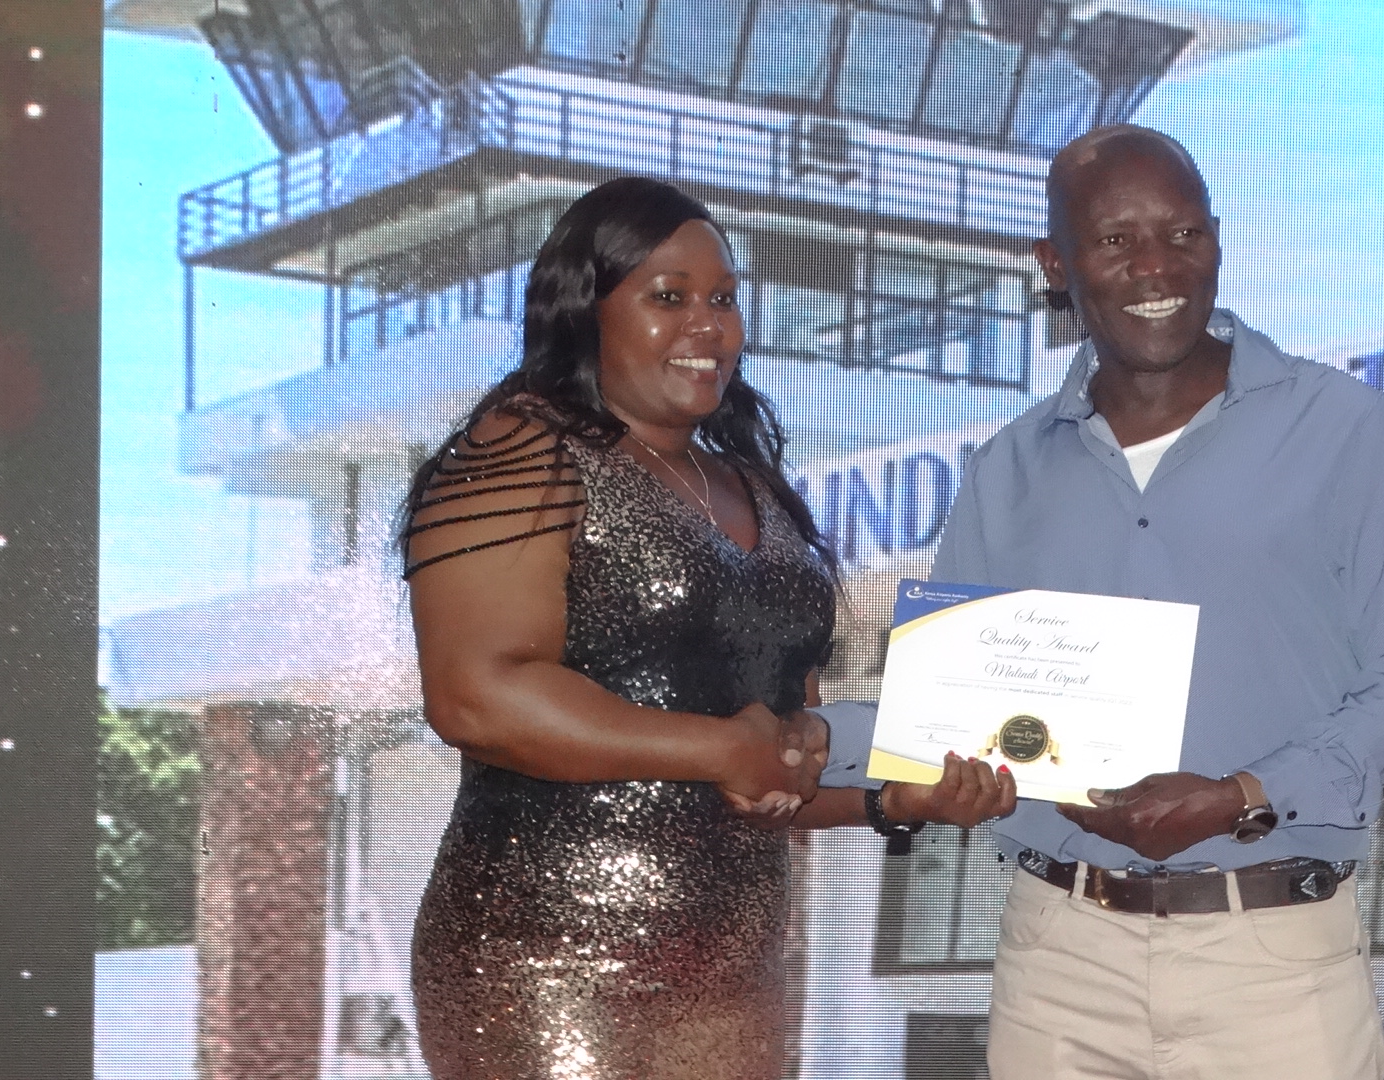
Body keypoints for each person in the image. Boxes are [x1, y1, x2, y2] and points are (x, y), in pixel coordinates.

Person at [818, 125, 1384, 1079]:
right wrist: (801, 741)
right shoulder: (1008, 469)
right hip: (1060, 961)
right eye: (1116, 240)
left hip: (1274, 964)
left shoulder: (1343, 428)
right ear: (1056, 263)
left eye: (1184, 234)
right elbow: (938, 714)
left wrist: (1241, 797)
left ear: (1217, 242)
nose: (1157, 266)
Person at [400, 176, 1013, 1080]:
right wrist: (721, 750)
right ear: (586, 309)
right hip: (547, 963)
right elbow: (475, 696)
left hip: (738, 962)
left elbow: (776, 770)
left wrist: (898, 798)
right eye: (668, 297)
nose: (708, 325)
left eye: (723, 299)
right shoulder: (519, 450)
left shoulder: (757, 490)